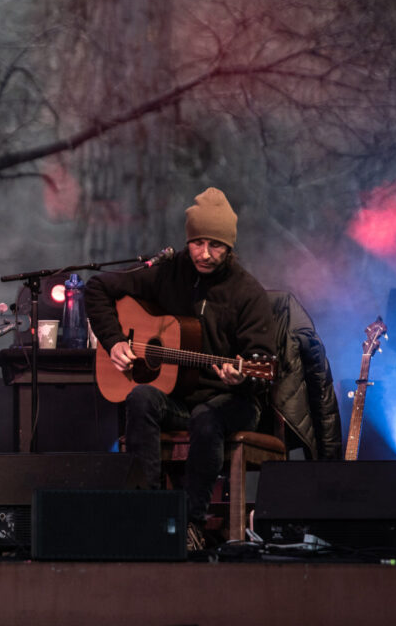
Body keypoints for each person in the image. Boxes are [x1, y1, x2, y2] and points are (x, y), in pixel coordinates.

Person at [84, 187, 275, 551]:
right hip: (179, 398)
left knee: (207, 416)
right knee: (141, 397)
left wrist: (242, 377)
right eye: (197, 242)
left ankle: (190, 523)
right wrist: (114, 342)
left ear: (230, 247)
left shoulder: (248, 293)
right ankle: (150, 513)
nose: (204, 254)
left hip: (232, 401)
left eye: (215, 245)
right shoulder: (170, 272)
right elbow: (98, 288)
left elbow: (262, 368)